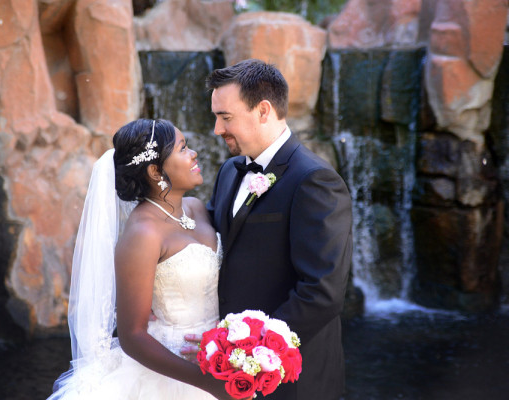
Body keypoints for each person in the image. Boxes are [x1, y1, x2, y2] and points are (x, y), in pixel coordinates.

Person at [48, 119, 247, 400]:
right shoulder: (143, 233)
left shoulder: (196, 208)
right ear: (155, 171)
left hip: (220, 355)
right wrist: (209, 384)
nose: (194, 154)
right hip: (175, 372)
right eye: (183, 149)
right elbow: (132, 336)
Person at [202, 59, 353, 400]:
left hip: (293, 378)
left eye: (225, 117)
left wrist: (251, 353)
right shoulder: (229, 170)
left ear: (263, 111)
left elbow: (322, 291)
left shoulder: (315, 180)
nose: (217, 129)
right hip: (231, 371)